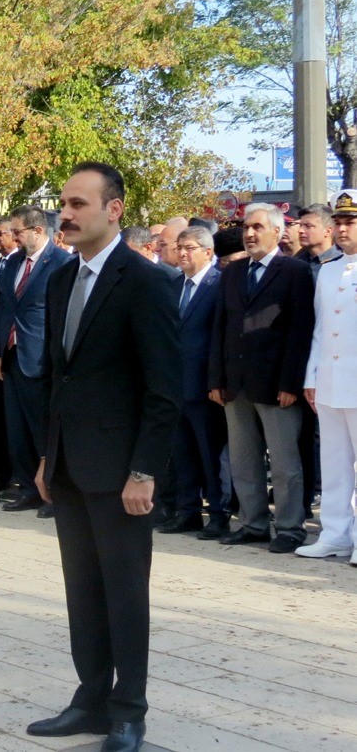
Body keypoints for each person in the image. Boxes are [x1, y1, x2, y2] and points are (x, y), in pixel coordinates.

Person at [27, 162, 181, 752]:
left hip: (121, 471)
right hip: (69, 464)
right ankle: (89, 697)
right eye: (63, 204)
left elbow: (163, 390)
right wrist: (47, 457)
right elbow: (56, 381)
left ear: (113, 210)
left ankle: (127, 711)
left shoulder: (145, 282)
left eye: (77, 204)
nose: (64, 214)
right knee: (82, 589)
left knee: (123, 591)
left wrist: (144, 471)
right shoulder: (62, 278)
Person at [208, 203, 315, 553]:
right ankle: (253, 524)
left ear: (276, 231)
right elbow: (220, 328)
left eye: (256, 227)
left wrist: (291, 384)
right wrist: (216, 379)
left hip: (276, 385)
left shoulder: (295, 271)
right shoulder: (233, 273)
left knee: (284, 463)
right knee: (243, 460)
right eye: (246, 228)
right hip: (236, 383)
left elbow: (299, 332)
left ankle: (289, 527)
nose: (249, 234)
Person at [0, 204, 72, 515]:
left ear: (38, 231)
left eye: (17, 232)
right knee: (17, 429)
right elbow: (5, 309)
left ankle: (53, 491)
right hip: (13, 357)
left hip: (42, 359)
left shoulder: (63, 263)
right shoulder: (11, 264)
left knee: (44, 429)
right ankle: (28, 488)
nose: (12, 238)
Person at [158, 227, 229, 538]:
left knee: (210, 456)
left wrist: (217, 381)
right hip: (176, 386)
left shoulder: (219, 284)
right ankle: (187, 513)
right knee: (182, 454)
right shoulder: (174, 285)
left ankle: (218, 515)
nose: (183, 253)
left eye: (189, 248)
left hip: (205, 387)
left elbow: (220, 338)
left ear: (208, 252)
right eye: (180, 248)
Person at [300, 190, 357, 564]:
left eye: (350, 222)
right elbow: (320, 329)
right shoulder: (330, 270)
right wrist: (312, 376)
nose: (341, 228)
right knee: (334, 463)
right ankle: (335, 534)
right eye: (338, 222)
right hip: (332, 380)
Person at [296, 202, 341, 278]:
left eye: (308, 226)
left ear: (328, 231)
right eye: (301, 225)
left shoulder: (341, 262)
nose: (300, 230)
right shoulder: (295, 263)